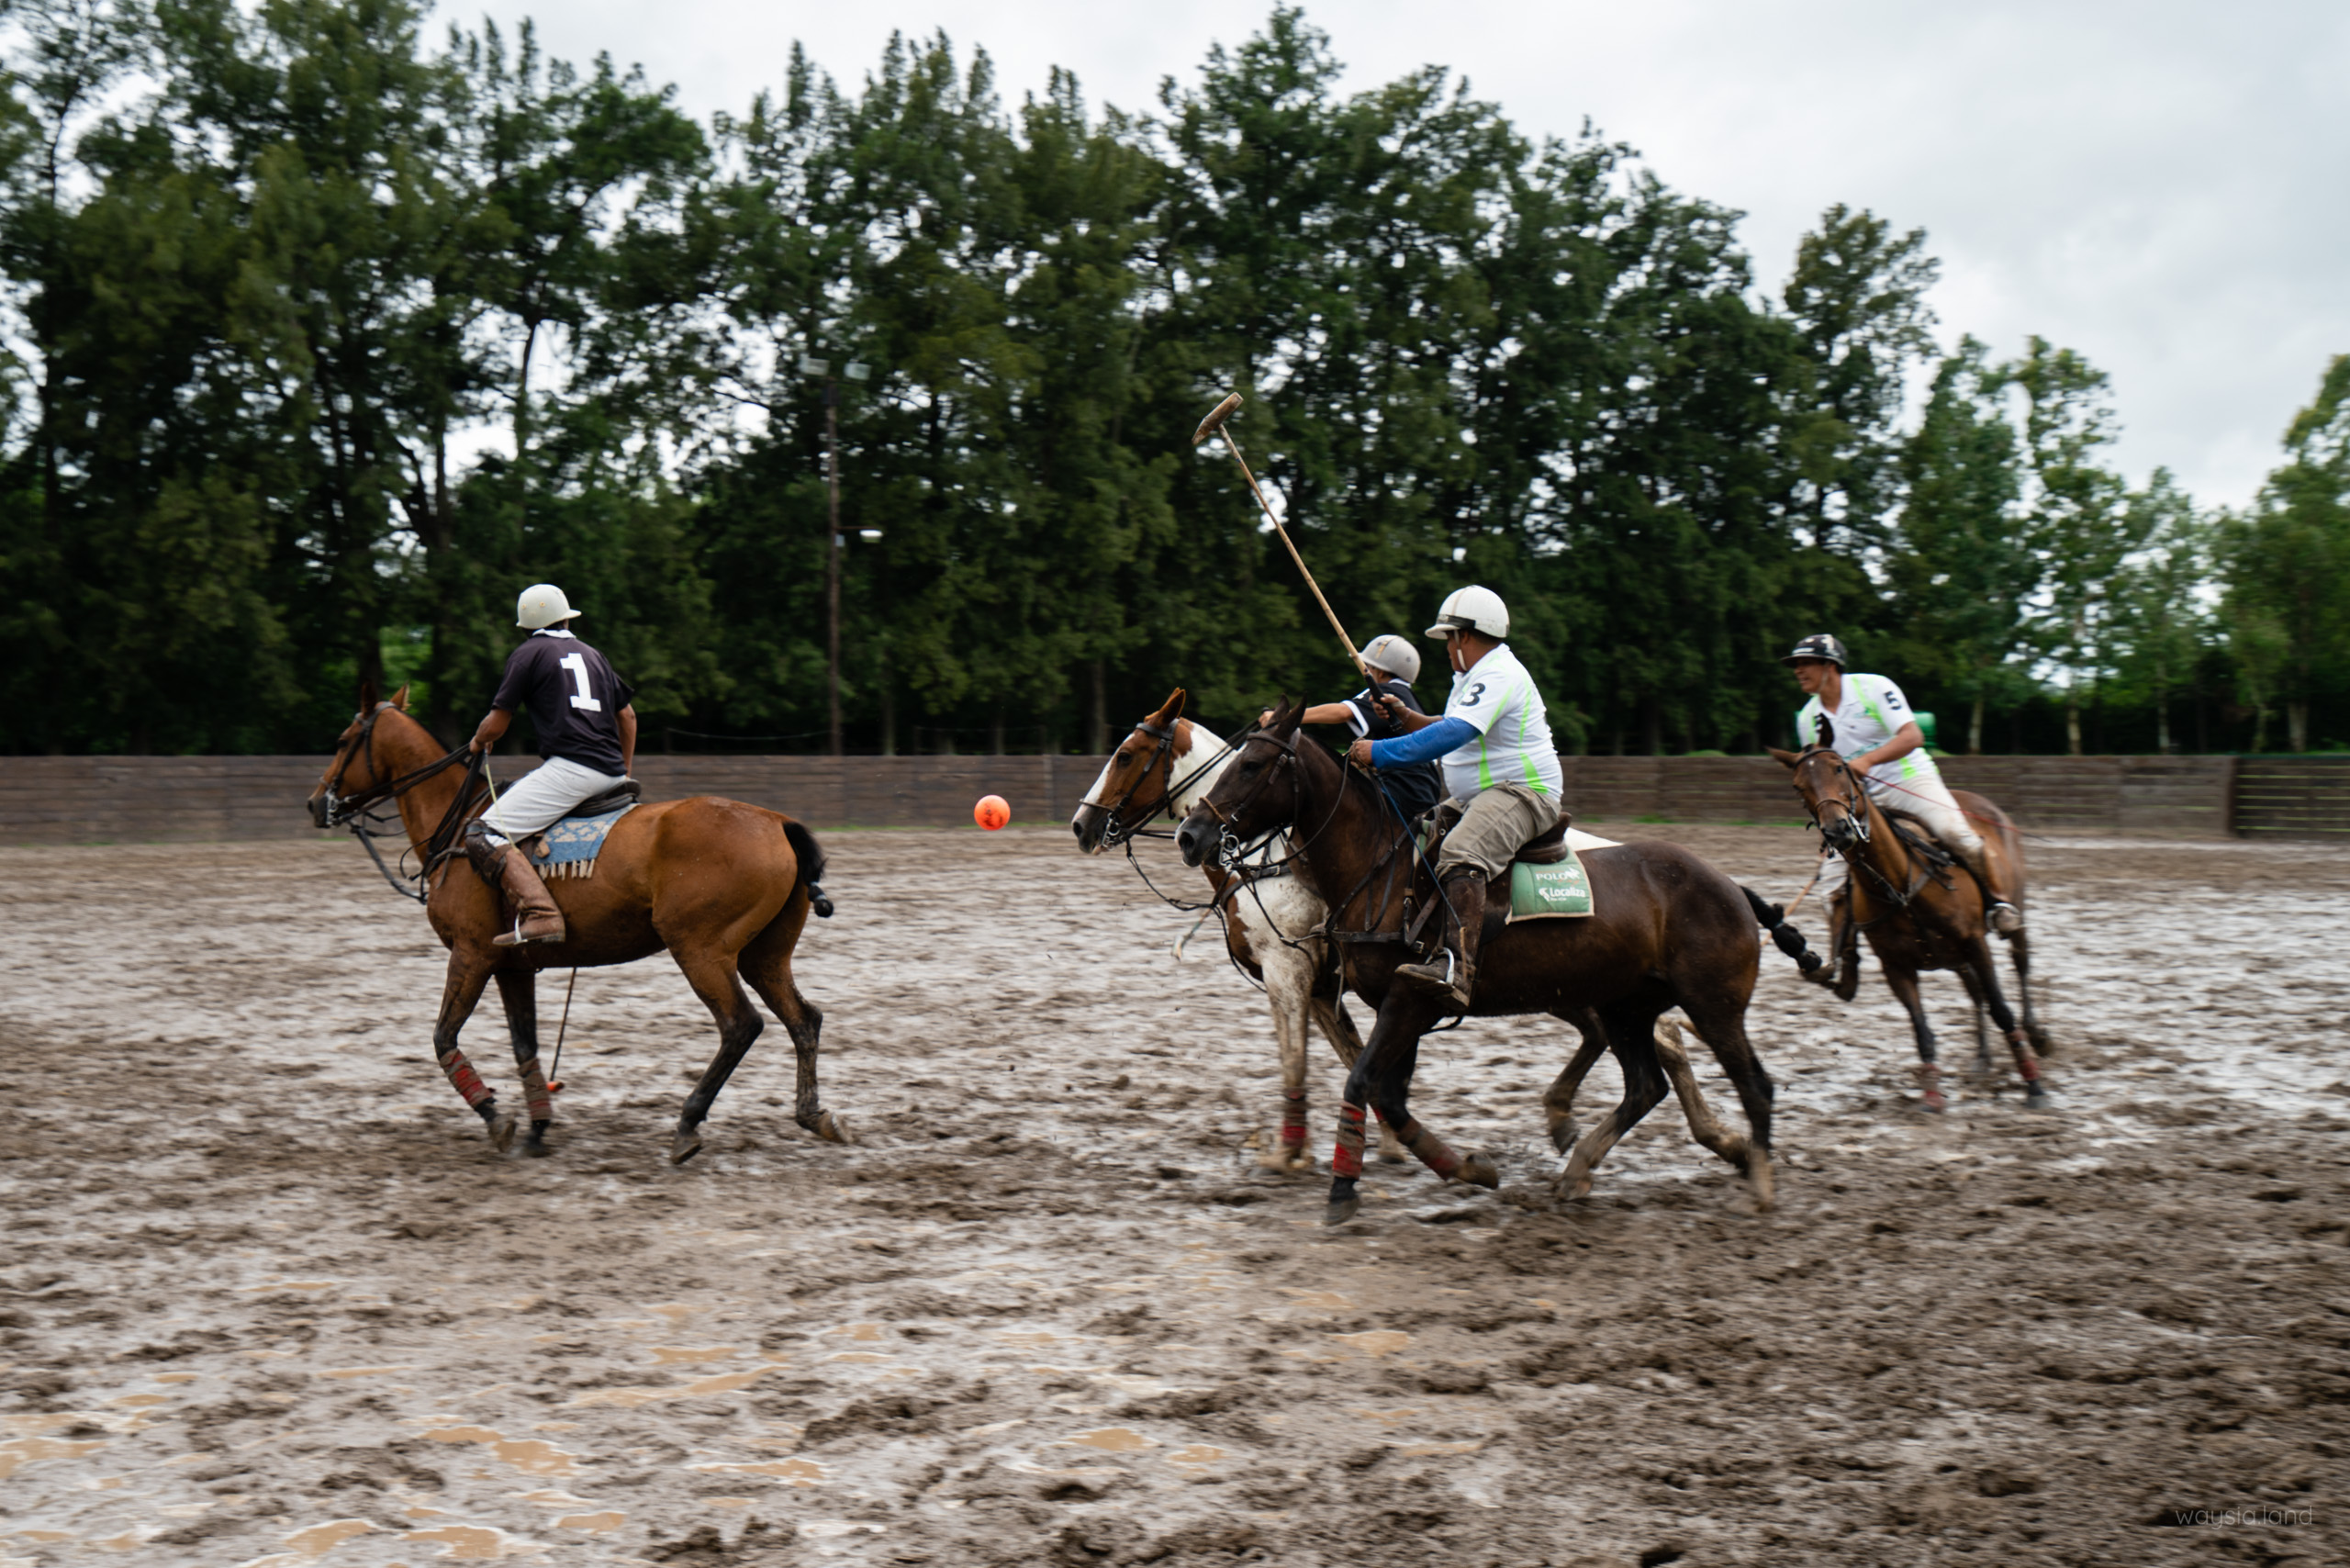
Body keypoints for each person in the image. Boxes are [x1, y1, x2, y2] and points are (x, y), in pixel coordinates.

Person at [1349, 586, 1562, 1010]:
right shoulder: (1471, 676)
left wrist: (1380, 752)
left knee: (1462, 851)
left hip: (1524, 793)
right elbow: (1446, 723)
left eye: (1449, 638)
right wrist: (1410, 719)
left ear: (1466, 637)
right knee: (1415, 836)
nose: (1446, 647)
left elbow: (1452, 735)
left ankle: (1456, 970)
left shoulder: (1500, 673)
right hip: (1481, 796)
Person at [1784, 632, 2021, 988]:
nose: (1798, 671)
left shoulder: (1873, 688)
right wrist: (1829, 827)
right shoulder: (1808, 717)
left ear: (1830, 666)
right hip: (1858, 800)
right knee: (1830, 886)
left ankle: (1998, 904)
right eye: (1796, 665)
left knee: (1958, 835)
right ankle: (1844, 960)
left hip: (1908, 780)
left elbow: (1912, 736)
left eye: (1805, 663)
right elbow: (1822, 774)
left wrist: (1868, 760)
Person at [463, 583, 638, 946]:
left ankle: (541, 914)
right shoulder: (593, 654)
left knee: (483, 833)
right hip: (611, 773)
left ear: (526, 626)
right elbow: (629, 717)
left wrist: (479, 740)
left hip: (572, 769)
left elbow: (497, 722)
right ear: (565, 619)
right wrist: (624, 771)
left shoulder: (528, 654)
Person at [1266, 633, 1446, 824]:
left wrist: (1284, 718)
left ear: (1381, 672)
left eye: (1369, 666)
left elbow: (1342, 712)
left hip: (1402, 792)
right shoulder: (1408, 697)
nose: (1365, 671)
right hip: (1422, 792)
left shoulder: (1386, 692)